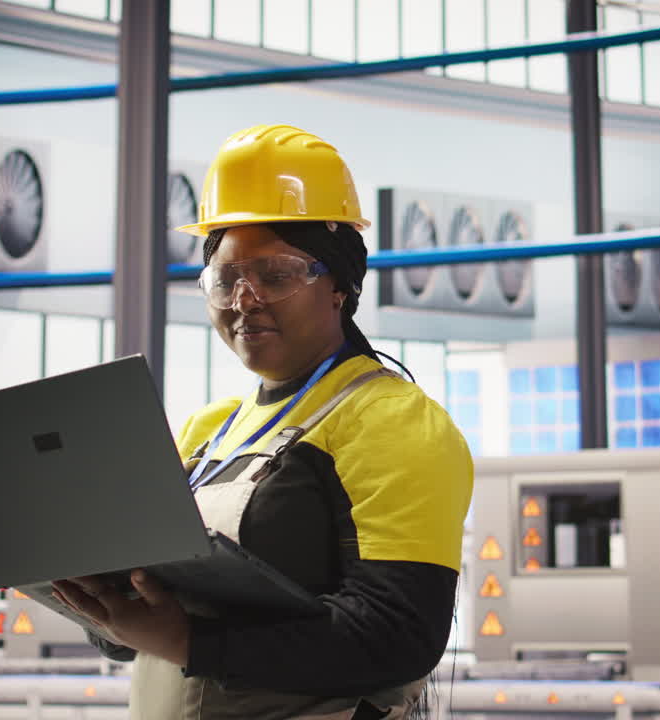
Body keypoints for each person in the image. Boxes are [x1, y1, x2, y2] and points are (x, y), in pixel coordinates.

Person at [51, 124, 473, 720]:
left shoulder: (392, 422)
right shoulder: (207, 432)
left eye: (275, 275)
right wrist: (105, 604)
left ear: (340, 287)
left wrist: (187, 642)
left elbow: (397, 635)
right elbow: (136, 635)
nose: (244, 299)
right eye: (225, 280)